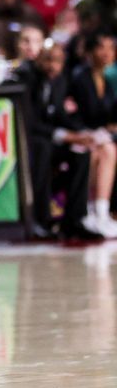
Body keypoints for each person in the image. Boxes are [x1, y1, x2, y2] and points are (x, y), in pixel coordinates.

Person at [15, 39, 104, 242]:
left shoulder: (60, 81)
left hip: (50, 137)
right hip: (31, 139)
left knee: (81, 151)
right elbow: (31, 121)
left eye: (57, 61)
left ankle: (75, 220)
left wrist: (82, 133)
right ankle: (40, 220)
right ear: (38, 59)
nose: (52, 66)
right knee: (42, 148)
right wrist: (64, 135)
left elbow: (61, 115)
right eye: (48, 60)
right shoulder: (27, 79)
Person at [68, 32, 117, 237]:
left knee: (107, 148)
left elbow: (106, 115)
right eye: (101, 47)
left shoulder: (106, 80)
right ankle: (89, 210)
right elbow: (73, 114)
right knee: (101, 151)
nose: (106, 53)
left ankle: (101, 213)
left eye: (111, 48)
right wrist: (86, 133)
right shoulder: (80, 77)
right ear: (89, 52)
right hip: (79, 136)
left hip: (98, 136)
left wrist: (109, 127)